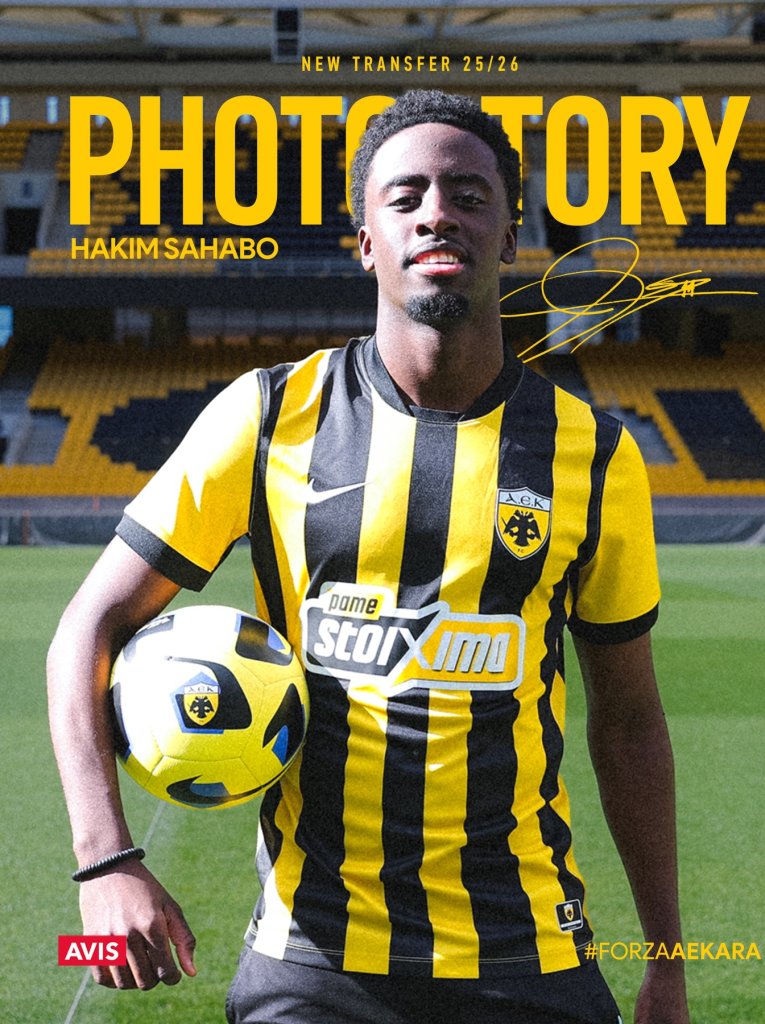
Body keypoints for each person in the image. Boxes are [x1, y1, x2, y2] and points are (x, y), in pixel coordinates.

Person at [48, 89, 689, 1024]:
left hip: (531, 959)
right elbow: (88, 627)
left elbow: (628, 724)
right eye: (406, 196)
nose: (437, 212)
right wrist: (105, 861)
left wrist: (667, 963)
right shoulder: (267, 416)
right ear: (365, 242)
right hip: (313, 964)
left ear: (510, 238)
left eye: (468, 195)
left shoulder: (594, 455)